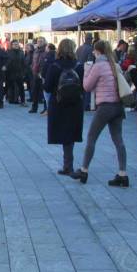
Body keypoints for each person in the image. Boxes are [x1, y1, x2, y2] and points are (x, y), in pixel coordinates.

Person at [75, 40, 129, 187]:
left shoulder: (98, 66)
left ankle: (84, 170)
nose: (93, 53)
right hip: (118, 106)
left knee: (92, 137)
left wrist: (87, 71)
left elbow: (87, 86)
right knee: (118, 139)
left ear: (97, 51)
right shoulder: (114, 64)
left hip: (105, 106)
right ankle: (123, 174)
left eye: (94, 51)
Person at [44, 38, 84, 177]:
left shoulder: (54, 66)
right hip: (75, 104)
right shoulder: (79, 65)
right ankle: (69, 164)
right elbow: (84, 86)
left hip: (58, 103)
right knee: (71, 134)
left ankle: (68, 165)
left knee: (63, 134)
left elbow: (47, 87)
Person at [29, 37, 48, 113]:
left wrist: (42, 72)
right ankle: (34, 107)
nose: (39, 42)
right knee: (34, 91)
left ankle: (45, 108)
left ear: (44, 42)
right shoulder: (36, 51)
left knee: (44, 92)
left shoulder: (46, 51)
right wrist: (32, 68)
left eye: (41, 41)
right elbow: (34, 61)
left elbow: (46, 63)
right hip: (35, 74)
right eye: (38, 41)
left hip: (43, 74)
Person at [6, 40, 26, 105]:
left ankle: (22, 100)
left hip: (19, 72)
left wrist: (23, 72)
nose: (16, 45)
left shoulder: (21, 52)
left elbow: (24, 63)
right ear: (12, 45)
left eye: (17, 44)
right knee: (10, 87)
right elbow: (7, 63)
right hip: (10, 72)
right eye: (14, 44)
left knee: (21, 87)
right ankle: (11, 99)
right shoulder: (8, 52)